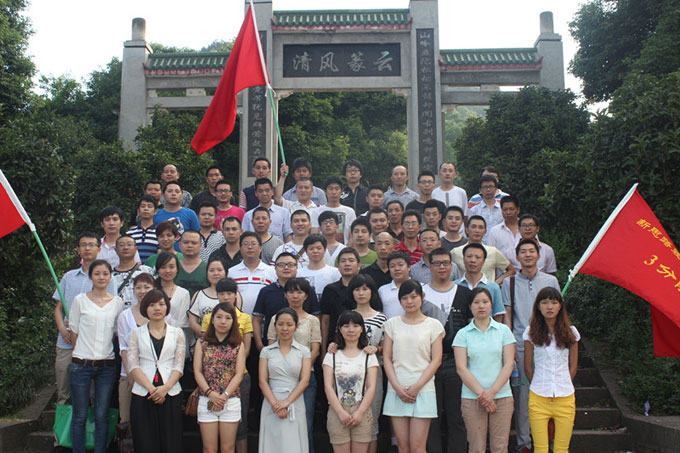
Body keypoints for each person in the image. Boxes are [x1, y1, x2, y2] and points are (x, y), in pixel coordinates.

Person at [502, 239, 561, 453]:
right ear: (517, 257)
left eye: (531, 251)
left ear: (539, 255)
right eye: (523, 252)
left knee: (551, 393)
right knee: (523, 397)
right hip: (520, 345)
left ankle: (548, 441)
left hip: (548, 345)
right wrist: (509, 344)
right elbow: (508, 314)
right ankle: (524, 443)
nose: (527, 255)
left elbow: (558, 311)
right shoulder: (509, 283)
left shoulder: (550, 281)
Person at [68, 259, 124, 453]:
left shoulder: (117, 303)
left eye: (105, 274)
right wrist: (81, 353)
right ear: (90, 276)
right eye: (97, 273)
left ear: (110, 277)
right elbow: (74, 331)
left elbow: (116, 333)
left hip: (106, 366)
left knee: (101, 415)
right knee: (80, 415)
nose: (101, 277)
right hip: (81, 365)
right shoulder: (80, 300)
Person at [382, 279, 444, 453]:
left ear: (422, 297)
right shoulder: (392, 324)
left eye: (413, 297)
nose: (409, 301)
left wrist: (417, 387)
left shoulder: (434, 325)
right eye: (404, 298)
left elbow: (436, 360)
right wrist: (396, 387)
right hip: (397, 389)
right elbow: (387, 358)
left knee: (418, 447)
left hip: (423, 389)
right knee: (403, 447)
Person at [53, 233, 115, 406]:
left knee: (94, 393)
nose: (87, 248)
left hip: (93, 344)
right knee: (63, 387)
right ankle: (64, 421)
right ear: (78, 250)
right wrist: (62, 329)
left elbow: (112, 309)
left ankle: (91, 422)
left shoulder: (106, 278)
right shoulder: (69, 277)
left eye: (91, 245)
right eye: (83, 245)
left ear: (99, 249)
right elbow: (58, 308)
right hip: (66, 341)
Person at [453, 287, 516, 453]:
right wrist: (483, 395)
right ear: (470, 306)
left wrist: (492, 393)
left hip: (501, 396)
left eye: (485, 302)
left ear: (491, 305)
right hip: (472, 397)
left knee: (500, 447)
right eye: (476, 302)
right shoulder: (463, 334)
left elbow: (509, 364)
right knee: (476, 447)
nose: (481, 306)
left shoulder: (504, 331)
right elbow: (461, 368)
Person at [421, 248, 472, 453]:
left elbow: (470, 327)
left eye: (445, 263)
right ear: (429, 266)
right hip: (427, 362)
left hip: (456, 362)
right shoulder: (421, 293)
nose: (441, 267)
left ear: (452, 266)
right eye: (437, 263)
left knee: (456, 415)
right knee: (431, 416)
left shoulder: (464, 293)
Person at [198, 278, 254, 453]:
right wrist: (211, 393)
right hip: (207, 396)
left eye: (228, 318)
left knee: (229, 447)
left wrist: (225, 395)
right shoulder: (202, 343)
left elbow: (239, 370)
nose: (223, 321)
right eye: (219, 317)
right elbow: (198, 371)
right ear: (212, 320)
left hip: (232, 393)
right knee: (209, 448)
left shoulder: (238, 343)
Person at [266, 279, 321, 453]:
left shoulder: (312, 320)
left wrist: (301, 371)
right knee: (279, 422)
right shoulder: (276, 319)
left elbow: (315, 350)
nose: (295, 296)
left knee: (305, 422)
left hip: (306, 378)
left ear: (306, 296)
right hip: (279, 378)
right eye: (291, 292)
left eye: (299, 292)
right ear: (285, 295)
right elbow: (271, 347)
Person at [127, 289, 185, 453]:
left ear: (167, 307)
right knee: (145, 441)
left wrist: (165, 388)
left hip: (170, 391)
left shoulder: (177, 333)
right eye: (152, 305)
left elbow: (178, 365)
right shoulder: (136, 333)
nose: (157, 308)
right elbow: (133, 365)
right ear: (145, 308)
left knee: (171, 441)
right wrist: (151, 389)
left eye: (161, 304)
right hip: (143, 392)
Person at [524, 287, 579, 453]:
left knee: (561, 449)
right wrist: (539, 383)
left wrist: (564, 382)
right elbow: (528, 366)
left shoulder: (571, 332)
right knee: (540, 449)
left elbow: (573, 365)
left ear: (560, 306)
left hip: (565, 397)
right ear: (538, 306)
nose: (549, 307)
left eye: (554, 302)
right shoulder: (530, 332)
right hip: (538, 397)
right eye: (545, 302)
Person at [323, 311, 379, 453]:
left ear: (362, 329)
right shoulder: (331, 355)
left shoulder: (369, 356)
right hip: (337, 410)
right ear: (340, 329)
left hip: (361, 409)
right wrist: (340, 412)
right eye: (346, 326)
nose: (351, 330)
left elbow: (371, 387)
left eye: (355, 326)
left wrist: (360, 412)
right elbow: (328, 386)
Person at [258, 308, 312, 453]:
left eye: (289, 324)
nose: (284, 328)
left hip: (294, 401)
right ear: (275, 326)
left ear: (296, 326)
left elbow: (305, 380)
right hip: (271, 401)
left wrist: (286, 402)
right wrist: (276, 404)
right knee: (272, 443)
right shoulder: (266, 351)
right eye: (280, 324)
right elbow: (262, 380)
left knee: (293, 444)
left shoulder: (304, 351)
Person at [347, 274, 386, 453]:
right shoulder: (346, 316)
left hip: (373, 373)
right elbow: (339, 344)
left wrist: (376, 349)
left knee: (371, 421)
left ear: (372, 292)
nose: (361, 293)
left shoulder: (381, 318)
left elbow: (386, 348)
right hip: (348, 374)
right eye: (357, 289)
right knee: (349, 418)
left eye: (365, 289)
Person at [253, 253, 321, 353]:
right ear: (275, 268)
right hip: (273, 346)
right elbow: (257, 319)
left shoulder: (308, 290)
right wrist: (259, 344)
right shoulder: (266, 291)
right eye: (281, 265)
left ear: (297, 267)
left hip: (303, 348)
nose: (286, 268)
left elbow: (316, 316)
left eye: (290, 264)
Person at [118, 273, 155, 424]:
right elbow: (123, 348)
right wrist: (131, 375)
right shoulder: (125, 316)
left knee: (149, 421)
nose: (142, 291)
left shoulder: (162, 315)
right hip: (128, 375)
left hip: (154, 376)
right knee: (126, 419)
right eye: (138, 287)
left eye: (147, 287)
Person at [320, 248, 362, 357]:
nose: (347, 264)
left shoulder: (365, 289)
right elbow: (325, 321)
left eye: (351, 260)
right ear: (338, 266)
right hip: (334, 344)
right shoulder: (330, 290)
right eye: (343, 261)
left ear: (359, 265)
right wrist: (323, 349)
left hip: (360, 344)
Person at [451, 216, 515, 285]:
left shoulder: (493, 251)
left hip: (487, 291)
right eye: (473, 227)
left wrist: (494, 285)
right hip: (464, 290)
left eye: (481, 227)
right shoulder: (456, 252)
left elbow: (511, 270)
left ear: (485, 232)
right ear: (467, 230)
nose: (477, 231)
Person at [454, 243, 506, 322]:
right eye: (469, 256)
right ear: (463, 259)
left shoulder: (493, 287)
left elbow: (498, 315)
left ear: (484, 261)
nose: (473, 260)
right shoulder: (455, 286)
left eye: (478, 257)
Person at [228, 231, 277, 315]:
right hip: (238, 320)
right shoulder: (231, 272)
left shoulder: (271, 271)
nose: (250, 247)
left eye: (253, 244)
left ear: (260, 248)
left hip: (263, 319)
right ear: (240, 248)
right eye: (246, 244)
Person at [155, 252, 192, 346]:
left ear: (177, 269)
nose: (167, 271)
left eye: (171, 267)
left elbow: (182, 323)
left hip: (175, 341)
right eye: (163, 267)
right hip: (153, 339)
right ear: (158, 269)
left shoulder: (183, 293)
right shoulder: (152, 292)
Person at [242, 178, 293, 242]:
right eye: (260, 191)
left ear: (272, 192)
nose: (264, 193)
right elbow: (244, 237)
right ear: (256, 193)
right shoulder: (248, 215)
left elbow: (288, 236)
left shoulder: (284, 213)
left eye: (267, 190)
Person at [188, 258, 228, 337]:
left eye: (219, 270)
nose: (215, 273)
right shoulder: (199, 294)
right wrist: (208, 337)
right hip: (203, 340)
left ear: (226, 272)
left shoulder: (234, 294)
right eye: (211, 270)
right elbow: (193, 322)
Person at [312, 176, 357, 244]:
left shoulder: (350, 212)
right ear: (325, 191)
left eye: (337, 189)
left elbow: (352, 236)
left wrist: (346, 249)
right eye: (330, 189)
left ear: (341, 191)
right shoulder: (316, 211)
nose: (334, 192)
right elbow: (314, 235)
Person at [153, 181, 200, 247]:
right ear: (163, 195)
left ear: (182, 195)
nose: (173, 194)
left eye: (177, 191)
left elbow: (197, 236)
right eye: (170, 191)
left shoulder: (190, 214)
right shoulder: (156, 215)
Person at [112, 234, 154, 307]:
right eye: (121, 245)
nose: (125, 248)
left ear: (136, 249)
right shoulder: (110, 274)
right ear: (116, 250)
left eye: (129, 245)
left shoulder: (147, 271)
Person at [297, 234, 341, 299]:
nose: (315, 251)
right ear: (306, 251)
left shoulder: (335, 272)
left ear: (325, 250)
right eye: (311, 249)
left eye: (319, 248)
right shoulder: (298, 273)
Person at [378, 251, 412, 319]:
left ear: (409, 267)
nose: (397, 269)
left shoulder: (421, 287)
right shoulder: (382, 290)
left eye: (400, 265)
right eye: (392, 266)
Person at [175, 230, 209, 297]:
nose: (189, 246)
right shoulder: (173, 268)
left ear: (200, 246)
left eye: (194, 243)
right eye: (186, 242)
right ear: (180, 244)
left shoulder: (208, 268)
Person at [126, 195, 159, 264]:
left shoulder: (160, 232)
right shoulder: (130, 233)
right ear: (138, 211)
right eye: (143, 206)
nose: (146, 209)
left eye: (149, 206)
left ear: (155, 211)